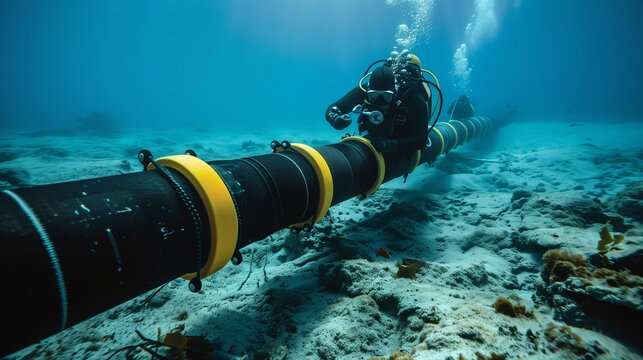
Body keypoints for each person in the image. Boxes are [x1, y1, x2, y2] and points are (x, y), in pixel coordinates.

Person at [325, 54, 431, 156]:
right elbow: (333, 108)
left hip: (401, 140)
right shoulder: (365, 90)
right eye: (374, 96)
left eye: (387, 96)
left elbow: (421, 141)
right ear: (369, 91)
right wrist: (335, 119)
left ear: (395, 92)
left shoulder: (412, 97)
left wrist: (392, 145)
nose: (380, 101)